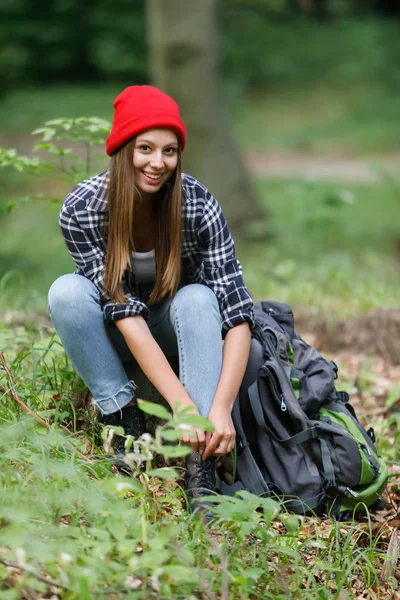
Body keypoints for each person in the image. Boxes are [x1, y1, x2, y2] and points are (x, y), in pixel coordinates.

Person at [48, 85, 253, 513]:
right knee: (66, 292)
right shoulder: (82, 208)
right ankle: (125, 424)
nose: (157, 163)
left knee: (198, 296)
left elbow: (236, 313)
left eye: (170, 151)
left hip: (178, 330)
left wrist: (218, 408)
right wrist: (176, 404)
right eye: (145, 148)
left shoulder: (197, 205)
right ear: (123, 149)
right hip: (120, 333)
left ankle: (202, 466)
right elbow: (122, 310)